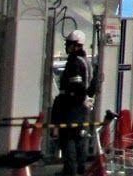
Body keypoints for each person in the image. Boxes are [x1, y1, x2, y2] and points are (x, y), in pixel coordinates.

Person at [52, 29, 94, 176]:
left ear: (76, 45)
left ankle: (70, 171)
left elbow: (76, 86)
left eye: (69, 43)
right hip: (82, 107)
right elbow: (90, 86)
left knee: (68, 138)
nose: (67, 46)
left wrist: (69, 102)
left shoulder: (75, 62)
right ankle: (81, 170)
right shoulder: (86, 61)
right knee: (80, 138)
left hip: (72, 107)